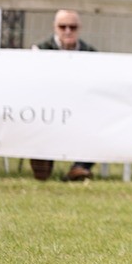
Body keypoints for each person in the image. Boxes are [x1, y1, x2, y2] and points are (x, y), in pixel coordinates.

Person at [29, 10, 97, 181]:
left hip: (80, 106)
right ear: (55, 27)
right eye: (62, 26)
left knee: (97, 121)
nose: (67, 31)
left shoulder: (91, 53)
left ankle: (80, 168)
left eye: (72, 27)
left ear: (79, 28)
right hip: (47, 105)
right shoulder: (39, 50)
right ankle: (42, 163)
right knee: (40, 120)